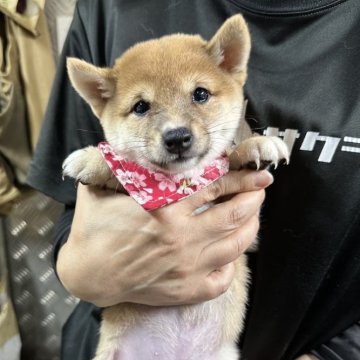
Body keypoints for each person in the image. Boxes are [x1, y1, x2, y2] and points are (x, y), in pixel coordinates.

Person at [27, 0, 360, 359]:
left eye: (199, 95)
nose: (176, 130)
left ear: (230, 64)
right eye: (142, 107)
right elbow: (73, 213)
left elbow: (216, 171)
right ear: (100, 98)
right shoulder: (107, 7)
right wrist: (80, 272)